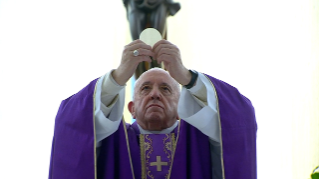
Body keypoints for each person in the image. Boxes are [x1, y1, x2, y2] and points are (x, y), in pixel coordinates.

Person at [48, 39, 257, 179]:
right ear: (132, 108)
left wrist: (187, 77)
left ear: (180, 109)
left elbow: (239, 120)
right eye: (145, 88)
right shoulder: (111, 139)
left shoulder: (199, 139)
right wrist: (118, 77)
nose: (154, 94)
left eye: (165, 89)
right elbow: (70, 123)